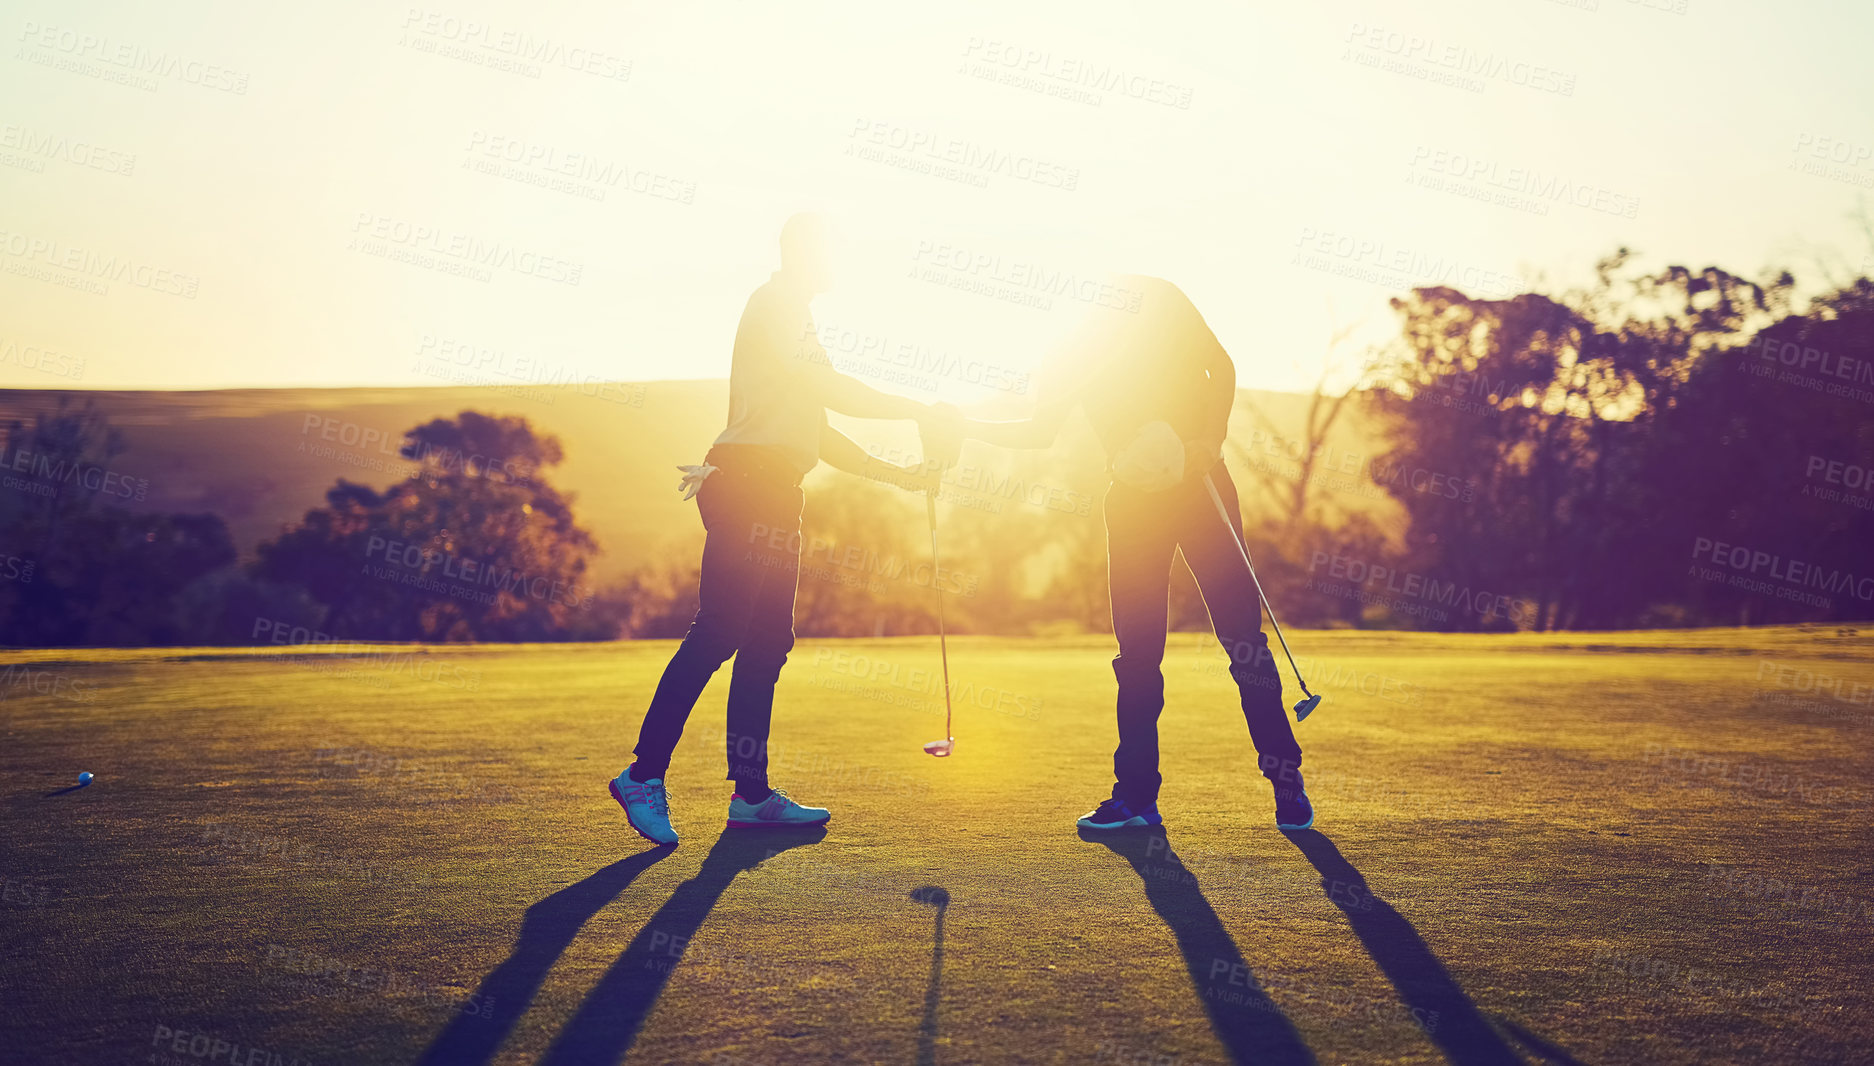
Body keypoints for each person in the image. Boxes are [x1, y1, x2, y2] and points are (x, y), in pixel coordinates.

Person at [612, 214, 960, 846]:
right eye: (831, 252)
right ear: (805, 254)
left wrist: (898, 474)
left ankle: (750, 795)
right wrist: (913, 406)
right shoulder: (775, 306)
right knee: (719, 631)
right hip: (746, 484)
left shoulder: (793, 314)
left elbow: (816, 428)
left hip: (774, 491)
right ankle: (643, 774)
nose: (837, 265)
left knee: (769, 640)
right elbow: (827, 387)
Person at [949, 276, 1312, 831]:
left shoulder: (1159, 297)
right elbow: (1040, 432)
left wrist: (1209, 440)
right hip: (1134, 502)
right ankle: (1137, 797)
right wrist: (961, 425)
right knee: (1138, 655)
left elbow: (1222, 365)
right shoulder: (1066, 344)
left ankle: (1287, 784)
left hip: (1202, 485)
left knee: (1243, 640)